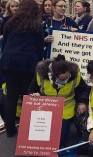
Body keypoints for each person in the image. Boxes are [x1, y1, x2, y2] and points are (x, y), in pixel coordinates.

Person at [0, 0, 43, 137]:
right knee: (27, 95)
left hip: (9, 62)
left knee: (11, 96)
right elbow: (39, 46)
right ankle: (27, 127)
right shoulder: (36, 25)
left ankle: (10, 129)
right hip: (27, 63)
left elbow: (5, 43)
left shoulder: (10, 23)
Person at [29, 54, 89, 147]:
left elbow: (83, 89)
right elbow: (31, 90)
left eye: (67, 77)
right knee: (42, 137)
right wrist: (34, 94)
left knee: (60, 141)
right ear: (53, 76)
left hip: (66, 109)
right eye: (62, 79)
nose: (65, 80)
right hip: (45, 108)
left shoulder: (75, 74)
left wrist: (82, 103)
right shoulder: (41, 74)